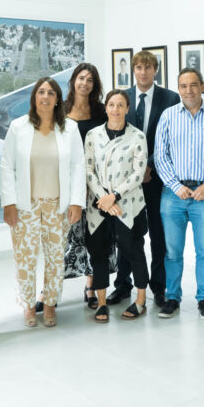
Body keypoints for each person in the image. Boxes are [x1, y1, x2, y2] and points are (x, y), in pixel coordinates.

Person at [0, 77, 85, 327]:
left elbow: (78, 165)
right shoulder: (18, 127)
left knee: (55, 257)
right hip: (26, 204)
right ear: (34, 97)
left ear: (58, 98)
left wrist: (77, 202)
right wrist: (9, 203)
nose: (45, 96)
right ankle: (28, 305)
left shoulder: (69, 128)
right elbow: (6, 166)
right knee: (25, 258)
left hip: (58, 204)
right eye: (40, 92)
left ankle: (49, 303)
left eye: (50, 92)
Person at [154, 68, 204, 320]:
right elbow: (160, 155)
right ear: (179, 88)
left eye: (193, 85)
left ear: (202, 86)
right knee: (173, 251)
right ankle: (172, 297)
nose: (189, 91)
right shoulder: (168, 116)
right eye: (183, 86)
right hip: (173, 194)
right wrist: (176, 186)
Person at [110, 50, 179, 307]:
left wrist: (150, 166)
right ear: (134, 70)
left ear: (155, 70)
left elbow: (172, 139)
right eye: (138, 67)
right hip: (126, 182)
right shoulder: (122, 97)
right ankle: (123, 285)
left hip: (157, 178)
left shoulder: (170, 98)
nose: (143, 72)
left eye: (148, 68)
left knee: (159, 235)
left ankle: (159, 287)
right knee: (127, 233)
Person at [84, 90, 150, 322]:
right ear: (106, 107)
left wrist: (115, 196)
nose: (115, 109)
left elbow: (138, 172)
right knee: (99, 253)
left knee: (133, 251)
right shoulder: (93, 135)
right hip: (99, 204)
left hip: (128, 204)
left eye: (120, 105)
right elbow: (88, 169)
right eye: (111, 104)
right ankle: (101, 302)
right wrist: (104, 197)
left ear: (127, 108)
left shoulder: (137, 136)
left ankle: (141, 299)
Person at [60, 63, 114, 311]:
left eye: (90, 80)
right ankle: (49, 290)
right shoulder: (60, 109)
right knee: (61, 239)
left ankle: (92, 287)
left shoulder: (101, 111)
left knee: (95, 237)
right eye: (81, 78)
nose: (85, 83)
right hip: (67, 182)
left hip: (95, 182)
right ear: (73, 81)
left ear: (95, 85)